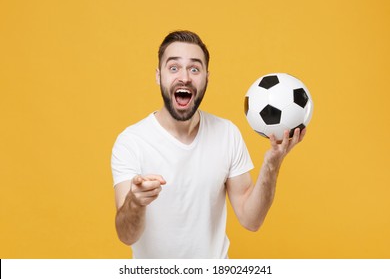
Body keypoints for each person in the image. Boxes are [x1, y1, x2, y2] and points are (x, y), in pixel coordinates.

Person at [111, 30, 306, 259]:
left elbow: (251, 220)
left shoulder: (227, 134)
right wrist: (135, 202)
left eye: (194, 69)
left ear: (206, 77)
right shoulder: (131, 142)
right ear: (158, 76)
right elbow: (126, 235)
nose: (184, 77)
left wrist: (272, 164)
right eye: (173, 68)